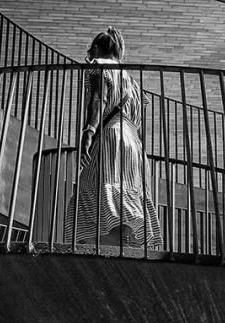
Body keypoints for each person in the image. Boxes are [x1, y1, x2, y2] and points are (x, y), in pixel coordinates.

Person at [69, 27, 163, 252]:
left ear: (96, 49)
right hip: (134, 146)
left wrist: (88, 131)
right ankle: (120, 245)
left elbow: (98, 98)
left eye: (90, 51)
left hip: (111, 137)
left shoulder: (98, 66)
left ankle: (108, 248)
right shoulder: (133, 83)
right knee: (123, 200)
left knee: (94, 189)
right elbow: (138, 121)